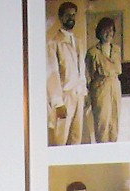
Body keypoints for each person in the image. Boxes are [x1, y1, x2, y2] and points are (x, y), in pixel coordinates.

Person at [46, 3, 87, 145]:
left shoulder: (78, 42)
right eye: (68, 15)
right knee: (61, 140)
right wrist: (58, 103)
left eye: (73, 15)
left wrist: (84, 92)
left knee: (76, 139)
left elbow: (81, 70)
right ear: (61, 17)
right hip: (65, 97)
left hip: (78, 95)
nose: (71, 18)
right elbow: (52, 73)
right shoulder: (54, 43)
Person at [86, 17, 122, 143]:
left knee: (114, 120)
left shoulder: (116, 49)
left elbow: (118, 68)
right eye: (105, 30)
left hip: (115, 85)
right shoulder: (93, 52)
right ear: (99, 32)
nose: (109, 33)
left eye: (111, 30)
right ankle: (102, 148)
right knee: (102, 121)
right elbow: (89, 73)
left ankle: (113, 148)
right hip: (100, 86)